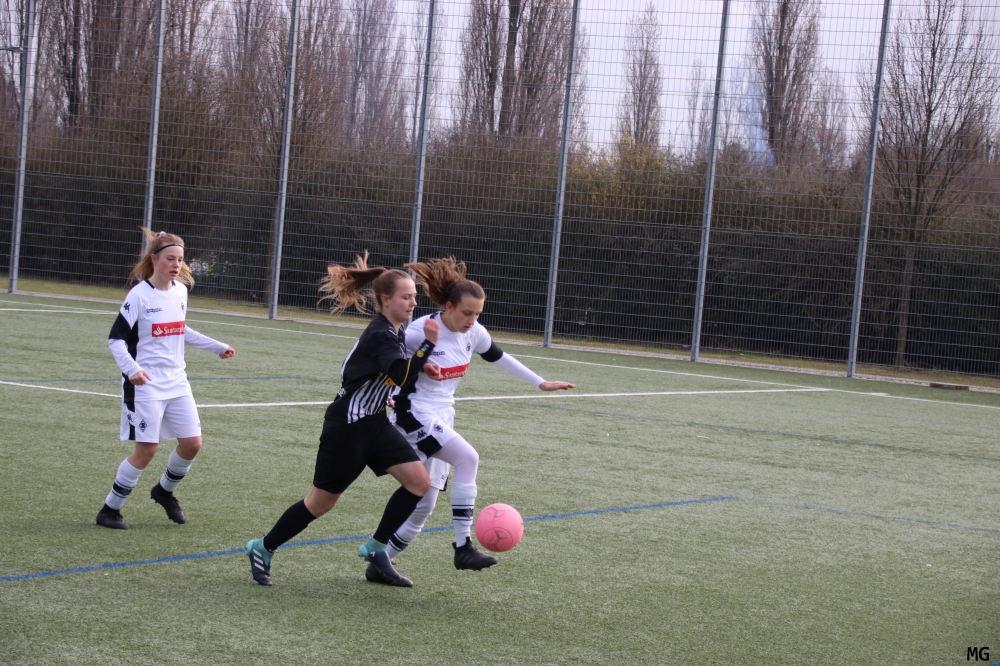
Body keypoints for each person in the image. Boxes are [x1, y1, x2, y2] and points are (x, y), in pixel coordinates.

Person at [246, 252, 440, 588]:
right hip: (347, 428)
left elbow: (385, 371)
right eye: (406, 297)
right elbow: (399, 374)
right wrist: (427, 348)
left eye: (414, 297)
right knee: (321, 503)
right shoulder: (381, 333)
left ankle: (377, 549)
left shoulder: (394, 330)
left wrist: (420, 365)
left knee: (419, 483)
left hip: (375, 423)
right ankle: (262, 547)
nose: (413, 303)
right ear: (386, 300)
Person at [381, 256, 575, 575]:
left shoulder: (474, 333)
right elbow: (387, 362)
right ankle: (463, 547)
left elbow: (500, 357)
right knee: (468, 458)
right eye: (467, 313)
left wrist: (540, 382)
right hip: (412, 412)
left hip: (441, 416)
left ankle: (381, 560)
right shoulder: (420, 331)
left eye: (477, 314)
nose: (472, 320)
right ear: (448, 307)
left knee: (425, 504)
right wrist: (401, 380)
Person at [97, 229, 236, 530]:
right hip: (145, 384)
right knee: (146, 451)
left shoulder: (180, 292)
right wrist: (132, 369)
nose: (176, 265)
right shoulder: (139, 296)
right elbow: (116, 339)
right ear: (154, 259)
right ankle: (109, 510)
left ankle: (164, 491)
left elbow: (179, 329)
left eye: (180, 259)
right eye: (170, 258)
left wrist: (217, 346)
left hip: (177, 381)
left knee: (192, 444)